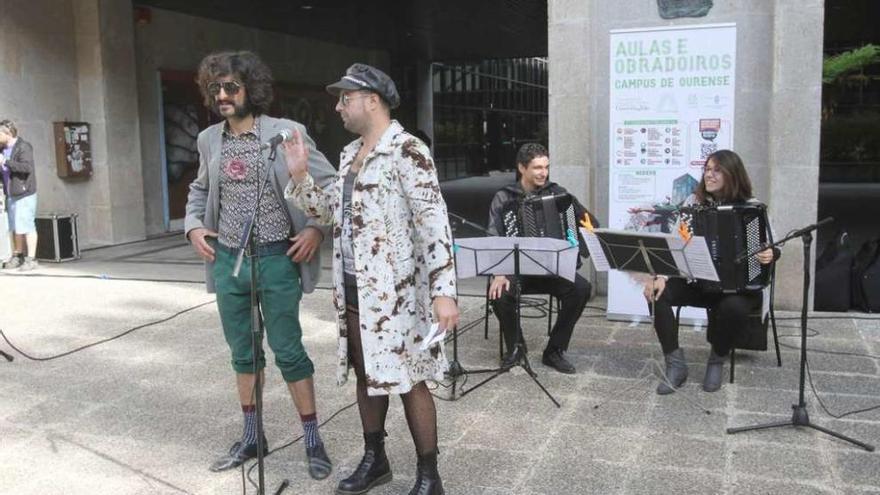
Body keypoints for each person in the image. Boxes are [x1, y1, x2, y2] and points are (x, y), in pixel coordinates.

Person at [284, 63, 459, 495]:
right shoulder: (348, 155)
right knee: (367, 373)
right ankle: (375, 458)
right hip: (354, 289)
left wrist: (443, 293)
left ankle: (428, 475)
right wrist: (300, 176)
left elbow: (434, 225)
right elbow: (328, 215)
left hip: (397, 294)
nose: (339, 106)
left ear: (372, 100)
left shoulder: (408, 150)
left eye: (346, 98)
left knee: (411, 379)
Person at [184, 50, 336, 479]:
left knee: (288, 351)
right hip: (228, 259)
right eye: (215, 89)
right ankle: (253, 436)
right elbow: (199, 190)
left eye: (231, 86)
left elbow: (329, 188)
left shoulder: (288, 133)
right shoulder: (209, 139)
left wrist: (315, 230)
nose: (222, 95)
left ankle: (312, 440)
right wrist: (194, 227)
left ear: (253, 88)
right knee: (243, 354)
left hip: (276, 259)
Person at [643, 149, 779, 394]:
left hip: (738, 287)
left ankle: (717, 358)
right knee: (656, 293)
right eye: (707, 169)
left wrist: (770, 254)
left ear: (732, 174)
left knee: (734, 307)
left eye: (717, 170)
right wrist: (661, 276)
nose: (709, 175)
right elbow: (674, 243)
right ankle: (675, 364)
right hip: (699, 283)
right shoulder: (693, 204)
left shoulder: (751, 208)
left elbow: (771, 243)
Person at [486, 143, 593, 374]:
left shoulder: (559, 194)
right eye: (537, 167)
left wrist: (574, 238)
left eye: (546, 167)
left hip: (550, 270)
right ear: (522, 168)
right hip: (517, 271)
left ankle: (554, 350)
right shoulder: (504, 198)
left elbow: (588, 223)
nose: (543, 173)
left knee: (581, 289)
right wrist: (499, 273)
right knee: (500, 293)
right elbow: (493, 236)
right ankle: (516, 347)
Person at [0, 120, 38, 271]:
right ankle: (18, 256)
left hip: (24, 193)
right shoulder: (2, 149)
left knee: (27, 225)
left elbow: (26, 168)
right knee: (15, 226)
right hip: (10, 194)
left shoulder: (23, 147)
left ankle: (31, 258)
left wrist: (6, 162)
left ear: (7, 134)